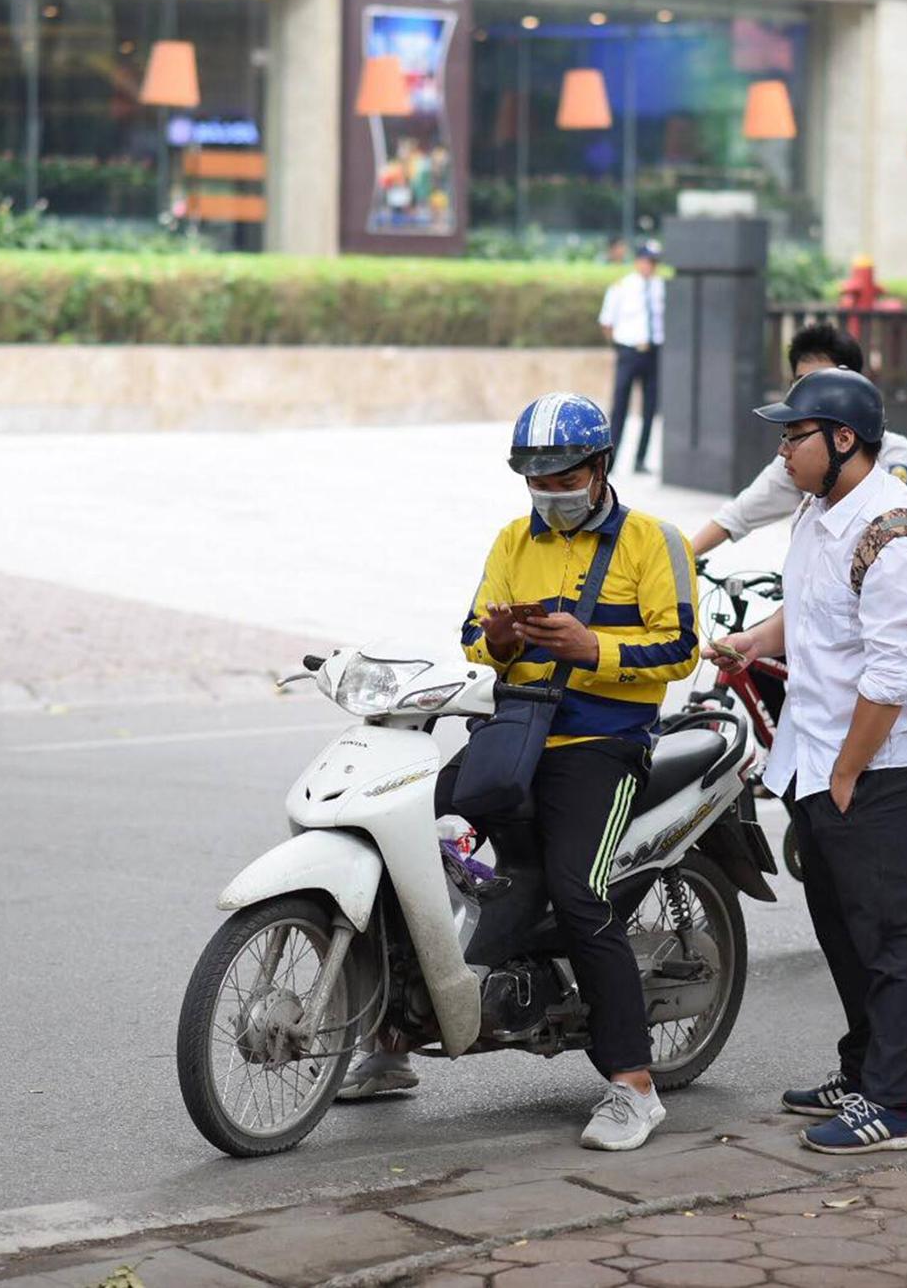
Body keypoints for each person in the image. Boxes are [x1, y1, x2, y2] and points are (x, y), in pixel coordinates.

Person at [340, 392, 700, 1153]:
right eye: (537, 481)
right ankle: (392, 1042)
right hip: (515, 734)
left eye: (565, 479)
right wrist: (501, 640)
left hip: (603, 746)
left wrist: (591, 647)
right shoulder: (512, 539)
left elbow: (680, 649)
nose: (551, 493)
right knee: (404, 848)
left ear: (600, 468)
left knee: (579, 893)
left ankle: (633, 1086)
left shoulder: (653, 540)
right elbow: (474, 636)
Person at [710, 368, 907, 1155]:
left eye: (795, 435)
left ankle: (893, 1106)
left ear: (844, 439)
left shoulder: (897, 537)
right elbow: (813, 605)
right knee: (845, 930)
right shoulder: (820, 514)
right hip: (813, 757)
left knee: (892, 937)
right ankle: (861, 1071)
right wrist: (754, 640)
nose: (783, 451)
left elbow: (889, 680)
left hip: (877, 767)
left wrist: (847, 772)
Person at [689, 323, 907, 558]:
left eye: (822, 381)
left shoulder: (894, 540)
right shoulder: (804, 498)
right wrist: (681, 557)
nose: (807, 393)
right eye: (800, 382)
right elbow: (739, 514)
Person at [599, 242, 665, 474]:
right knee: (620, 407)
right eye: (647, 261)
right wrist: (619, 347)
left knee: (650, 408)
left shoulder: (661, 287)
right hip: (629, 351)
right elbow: (607, 322)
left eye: (654, 262)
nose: (650, 266)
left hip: (654, 352)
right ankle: (611, 460)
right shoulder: (622, 287)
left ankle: (640, 459)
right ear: (638, 261)